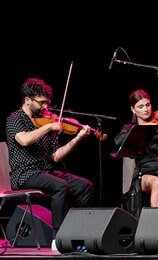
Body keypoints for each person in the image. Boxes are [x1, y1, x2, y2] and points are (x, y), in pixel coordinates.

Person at [5, 77, 94, 249]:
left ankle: (78, 232)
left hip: (47, 172)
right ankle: (58, 238)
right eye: (42, 103)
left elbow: (56, 156)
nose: (46, 107)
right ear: (28, 100)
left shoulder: (46, 121)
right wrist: (48, 128)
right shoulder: (14, 119)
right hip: (24, 174)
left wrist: (78, 138)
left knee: (85, 186)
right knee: (60, 186)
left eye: (47, 103)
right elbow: (24, 140)